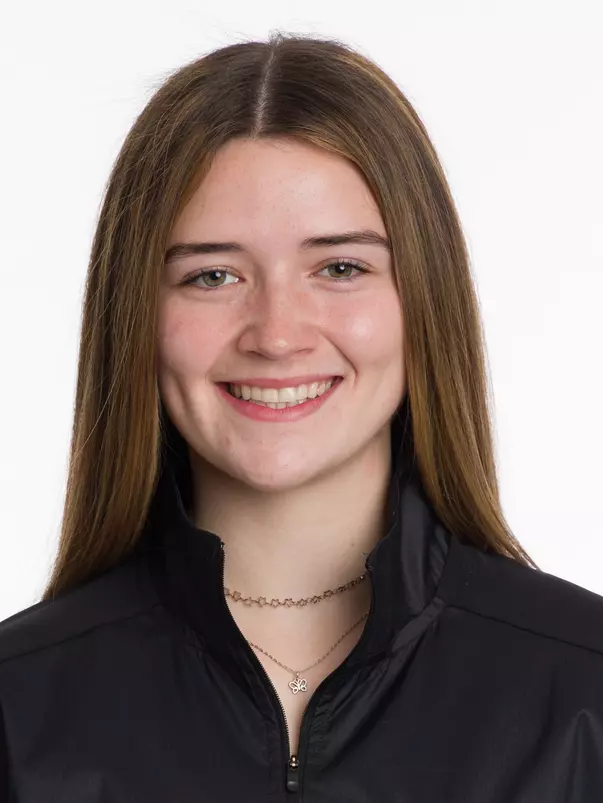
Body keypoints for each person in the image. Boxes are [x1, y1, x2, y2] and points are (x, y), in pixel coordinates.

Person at [1, 31, 602, 803]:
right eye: (211, 275)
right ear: (135, 317)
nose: (277, 333)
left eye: (340, 267)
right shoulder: (19, 708)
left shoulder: (583, 692)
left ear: (423, 299)